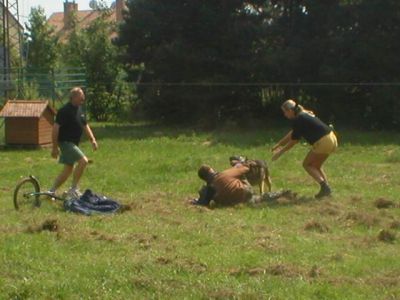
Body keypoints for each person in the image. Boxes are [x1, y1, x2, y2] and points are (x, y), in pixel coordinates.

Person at [271, 99, 338, 199]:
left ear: (290, 111)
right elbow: (293, 133)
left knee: (307, 164)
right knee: (316, 166)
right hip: (331, 138)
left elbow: (294, 141)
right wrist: (279, 144)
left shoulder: (299, 119)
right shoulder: (303, 114)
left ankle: (325, 187)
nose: (284, 115)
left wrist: (280, 153)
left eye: (284, 112)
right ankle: (327, 190)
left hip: (323, 141)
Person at [48, 87, 98, 198]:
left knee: (68, 169)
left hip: (73, 143)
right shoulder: (64, 111)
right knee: (83, 161)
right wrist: (55, 147)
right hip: (66, 142)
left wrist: (92, 140)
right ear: (74, 97)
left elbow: (85, 125)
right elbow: (55, 129)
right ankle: (73, 189)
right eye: (81, 97)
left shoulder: (79, 110)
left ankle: (51, 191)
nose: (83, 99)